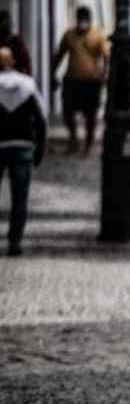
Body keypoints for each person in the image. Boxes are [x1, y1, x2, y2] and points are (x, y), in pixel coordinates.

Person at [0, 47, 46, 256]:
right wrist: (40, 148)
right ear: (12, 61)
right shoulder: (28, 84)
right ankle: (14, 241)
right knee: (20, 198)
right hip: (23, 146)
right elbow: (41, 119)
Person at [51, 6, 108, 156]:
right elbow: (59, 55)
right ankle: (73, 139)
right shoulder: (69, 35)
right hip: (72, 80)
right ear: (76, 20)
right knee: (67, 112)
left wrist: (104, 75)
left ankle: (88, 144)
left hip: (92, 81)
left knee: (91, 114)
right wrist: (52, 73)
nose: (82, 23)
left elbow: (106, 57)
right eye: (80, 19)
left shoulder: (97, 36)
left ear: (89, 20)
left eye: (85, 20)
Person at [0, 10, 32, 75]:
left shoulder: (16, 41)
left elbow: (26, 62)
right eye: (3, 24)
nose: (5, 25)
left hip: (16, 74)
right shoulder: (16, 41)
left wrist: (26, 76)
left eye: (6, 23)